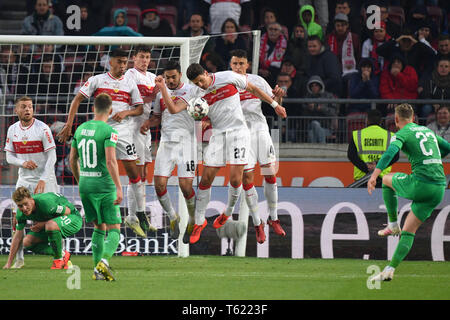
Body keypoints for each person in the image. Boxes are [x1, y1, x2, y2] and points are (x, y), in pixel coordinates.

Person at [185, 63, 287, 244]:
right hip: (218, 135)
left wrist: (274, 105)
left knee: (235, 179)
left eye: (201, 80)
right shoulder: (196, 92)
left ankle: (228, 212)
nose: (200, 85)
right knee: (206, 178)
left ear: (206, 73)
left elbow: (253, 88)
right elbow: (198, 111)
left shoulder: (227, 77)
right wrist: (201, 120)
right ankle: (199, 222)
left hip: (239, 133)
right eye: (196, 83)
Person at [57, 48, 147, 238]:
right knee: (96, 166)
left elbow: (139, 109)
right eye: (120, 62)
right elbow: (77, 99)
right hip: (99, 129)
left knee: (134, 173)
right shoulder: (97, 80)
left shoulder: (130, 82)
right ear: (110, 62)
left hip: (123, 132)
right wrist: (69, 123)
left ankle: (138, 213)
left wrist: (126, 112)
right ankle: (99, 211)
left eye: (125, 62)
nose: (123, 66)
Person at [368, 103, 450, 281]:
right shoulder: (428, 132)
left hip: (421, 184)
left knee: (388, 179)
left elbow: (390, 152)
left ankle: (392, 223)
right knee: (409, 231)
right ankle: (390, 269)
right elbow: (447, 148)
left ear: (396, 119)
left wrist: (374, 175)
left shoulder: (403, 133)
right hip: (438, 188)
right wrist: (432, 160)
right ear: (414, 118)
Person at [229, 49, 287, 239]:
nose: (238, 67)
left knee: (270, 172)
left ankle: (274, 218)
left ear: (247, 65)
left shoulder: (258, 81)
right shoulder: (224, 83)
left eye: (241, 64)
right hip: (239, 134)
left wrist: (279, 96)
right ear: (231, 65)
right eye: (235, 63)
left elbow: (274, 101)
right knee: (247, 179)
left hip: (259, 130)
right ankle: (257, 223)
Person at [140, 60, 197, 241]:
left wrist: (162, 88)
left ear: (180, 75)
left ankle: (193, 220)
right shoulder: (159, 96)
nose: (170, 80)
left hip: (186, 145)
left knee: (186, 187)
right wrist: (148, 123)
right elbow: (158, 117)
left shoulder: (190, 90)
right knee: (159, 185)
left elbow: (173, 109)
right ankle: (173, 217)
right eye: (167, 77)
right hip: (166, 144)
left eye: (173, 77)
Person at [69, 93, 123, 281]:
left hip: (85, 184)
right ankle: (104, 262)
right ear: (110, 110)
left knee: (98, 228)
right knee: (115, 229)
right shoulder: (109, 131)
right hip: (104, 185)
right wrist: (118, 187)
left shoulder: (80, 129)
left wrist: (80, 179)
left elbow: (71, 159)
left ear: (93, 109)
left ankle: (96, 270)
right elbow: (111, 161)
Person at [4, 96, 59, 269]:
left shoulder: (42, 128)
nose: (27, 109)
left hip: (45, 179)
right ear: (17, 110)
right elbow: (9, 156)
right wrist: (23, 163)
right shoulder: (12, 130)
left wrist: (43, 178)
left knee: (52, 219)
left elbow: (52, 156)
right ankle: (19, 259)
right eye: (24, 107)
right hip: (24, 179)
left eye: (30, 107)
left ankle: (59, 257)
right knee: (17, 219)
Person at [124, 45, 159, 234]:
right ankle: (132, 216)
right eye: (141, 57)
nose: (145, 61)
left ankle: (138, 215)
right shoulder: (130, 75)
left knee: (144, 175)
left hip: (145, 129)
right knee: (135, 175)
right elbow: (137, 100)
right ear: (134, 59)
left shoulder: (153, 77)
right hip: (132, 128)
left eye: (147, 57)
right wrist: (155, 92)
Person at [3, 187, 81, 270]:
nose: (24, 208)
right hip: (52, 223)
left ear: (31, 199)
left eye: (26, 204)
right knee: (26, 242)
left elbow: (67, 212)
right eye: (20, 206)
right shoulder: (20, 214)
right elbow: (17, 237)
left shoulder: (46, 204)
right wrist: (8, 263)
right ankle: (63, 255)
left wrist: (43, 224)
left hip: (74, 218)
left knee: (50, 225)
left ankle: (58, 260)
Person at [347, 109, 398, 187]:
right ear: (381, 122)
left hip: (362, 179)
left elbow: (351, 155)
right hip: (382, 179)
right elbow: (395, 156)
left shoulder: (357, 135)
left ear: (367, 120)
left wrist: (365, 168)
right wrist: (377, 166)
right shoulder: (390, 136)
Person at [326, 13, 361, 83]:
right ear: (334, 26)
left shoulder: (354, 38)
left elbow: (358, 55)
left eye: (343, 25)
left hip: (350, 70)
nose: (340, 28)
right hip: (333, 71)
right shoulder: (329, 38)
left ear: (347, 25)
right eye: (338, 25)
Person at [302, 75, 338, 143]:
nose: (314, 87)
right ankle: (322, 149)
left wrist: (321, 108)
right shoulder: (307, 97)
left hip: (327, 128)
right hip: (310, 127)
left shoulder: (329, 96)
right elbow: (302, 113)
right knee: (314, 126)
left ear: (320, 86)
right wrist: (309, 108)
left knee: (312, 133)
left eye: (316, 85)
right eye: (312, 86)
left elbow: (333, 112)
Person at [259, 22, 288, 86]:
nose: (273, 31)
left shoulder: (285, 44)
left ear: (280, 32)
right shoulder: (259, 40)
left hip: (275, 74)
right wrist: (260, 70)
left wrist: (269, 71)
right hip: (259, 72)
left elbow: (284, 61)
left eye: (275, 30)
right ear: (267, 30)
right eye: (270, 29)